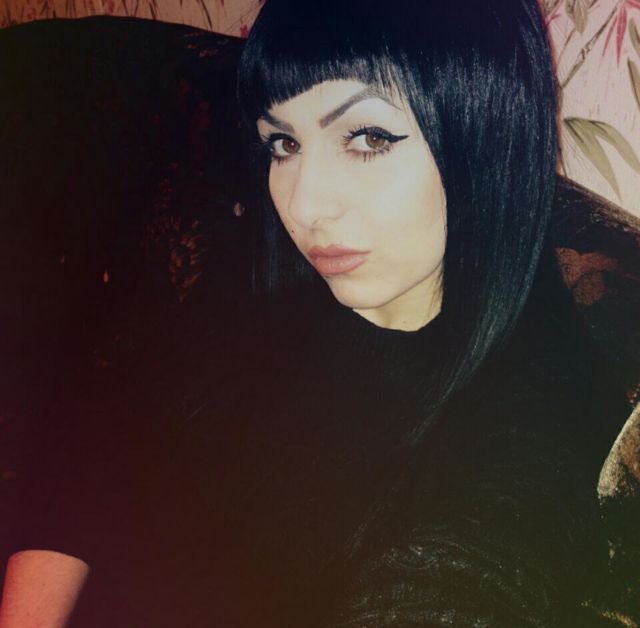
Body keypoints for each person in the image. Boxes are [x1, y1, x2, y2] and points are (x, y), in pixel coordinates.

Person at [1, 0, 634, 626]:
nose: (304, 205)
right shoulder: (269, 275)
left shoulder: (532, 423)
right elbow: (105, 420)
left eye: (368, 138)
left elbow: (468, 573)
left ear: (489, 135)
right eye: (284, 143)